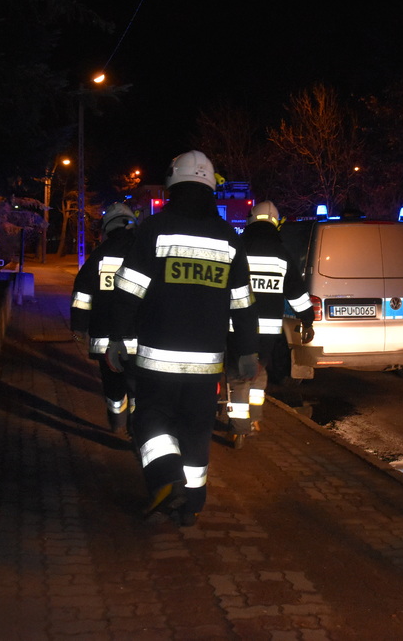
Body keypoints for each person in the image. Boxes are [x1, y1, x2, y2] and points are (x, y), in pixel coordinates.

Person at [105, 150, 259, 527]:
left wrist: (116, 340)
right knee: (195, 432)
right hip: (207, 367)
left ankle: (165, 479)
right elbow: (243, 304)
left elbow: (128, 291)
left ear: (173, 183)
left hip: (157, 361)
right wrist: (248, 351)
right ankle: (190, 507)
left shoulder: (154, 230)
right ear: (210, 186)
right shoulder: (228, 238)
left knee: (150, 423)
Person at [225, 201, 314, 441]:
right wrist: (308, 320)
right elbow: (296, 293)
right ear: (276, 223)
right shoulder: (282, 255)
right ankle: (255, 418)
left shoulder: (238, 249)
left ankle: (240, 428)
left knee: (237, 377)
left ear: (250, 220)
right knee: (259, 370)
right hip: (268, 332)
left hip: (236, 328)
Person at [70, 202, 139, 433]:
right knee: (137, 384)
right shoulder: (143, 254)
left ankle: (116, 416)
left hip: (106, 338)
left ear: (107, 228)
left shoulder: (99, 256)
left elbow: (82, 293)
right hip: (139, 337)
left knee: (112, 382)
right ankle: (135, 424)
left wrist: (78, 327)